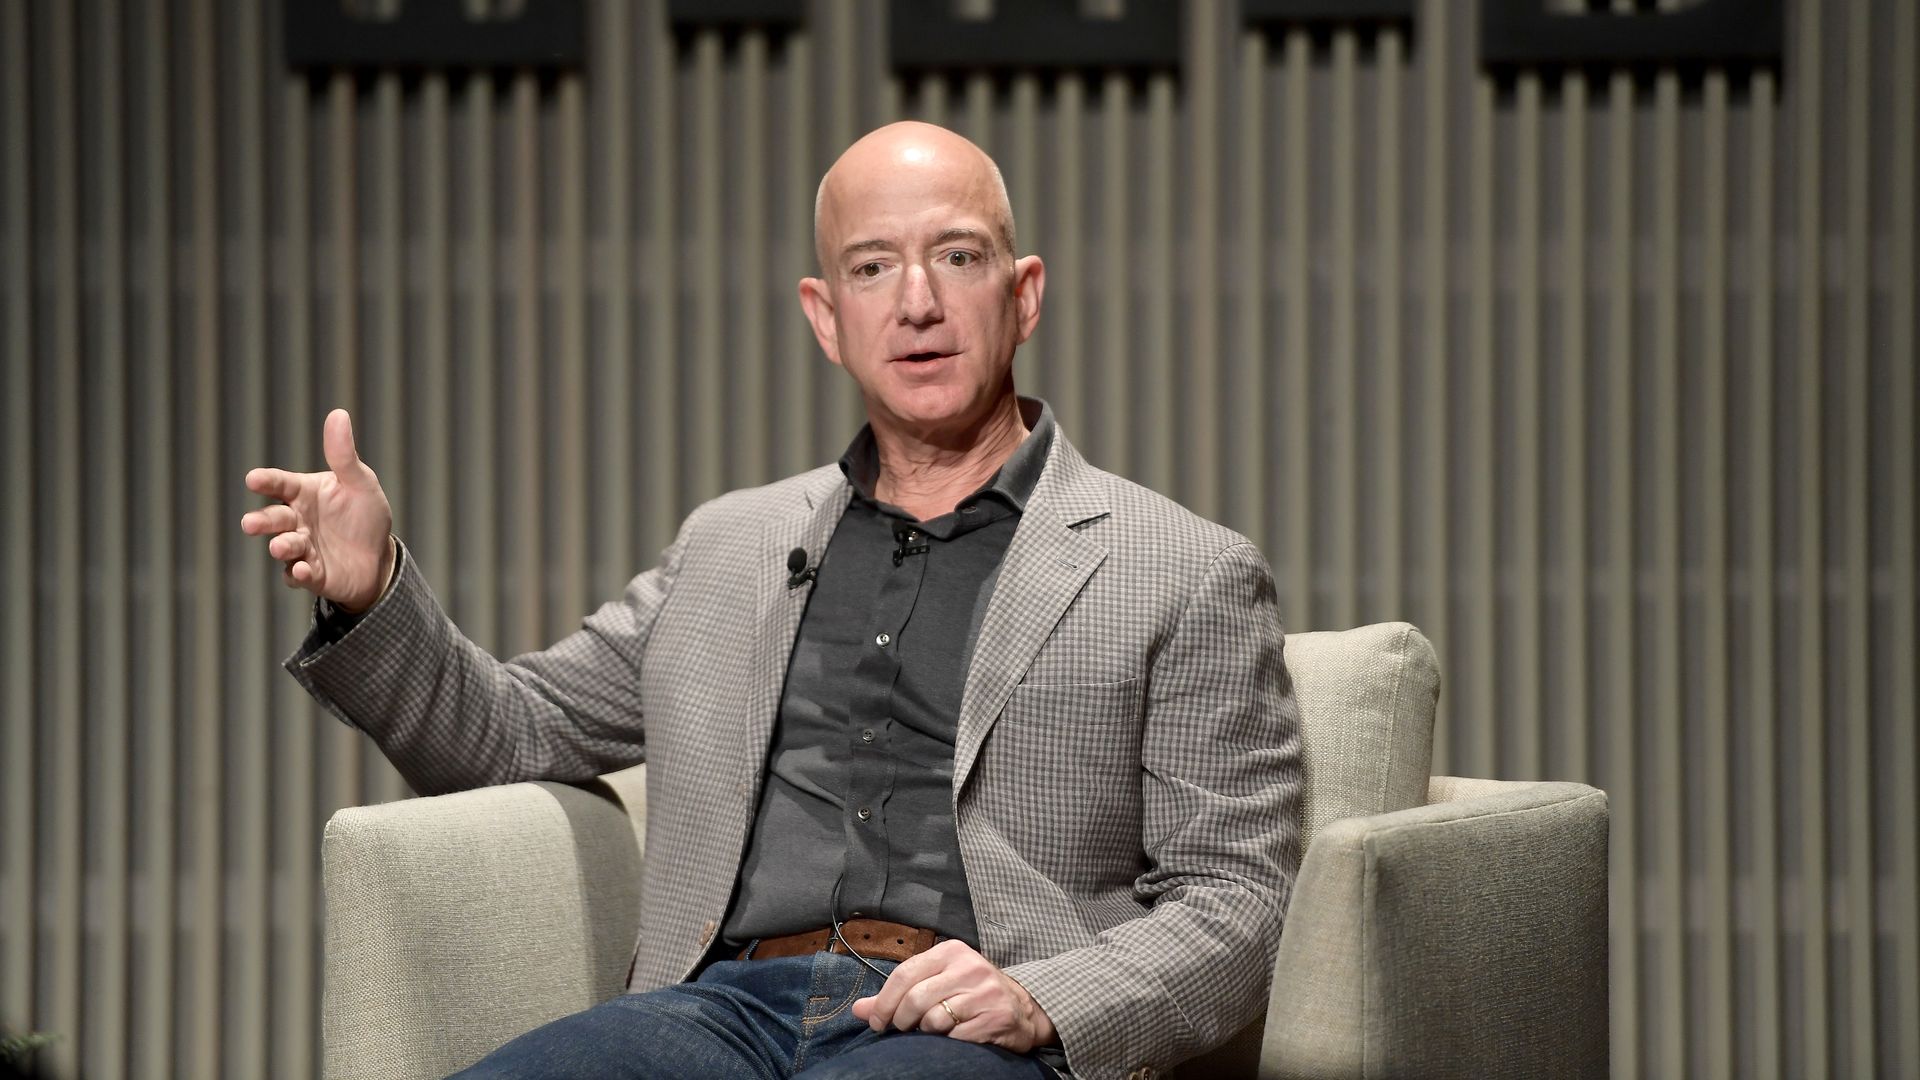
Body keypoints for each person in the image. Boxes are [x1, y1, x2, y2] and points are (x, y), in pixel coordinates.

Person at [242, 121, 1300, 1080]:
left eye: (958, 256)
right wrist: (376, 591)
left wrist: (1043, 999)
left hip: (967, 1032)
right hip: (717, 1014)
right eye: (872, 267)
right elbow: (515, 733)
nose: (918, 302)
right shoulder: (730, 547)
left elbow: (1238, 900)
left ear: (1022, 295)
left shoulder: (1180, 568)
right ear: (826, 317)